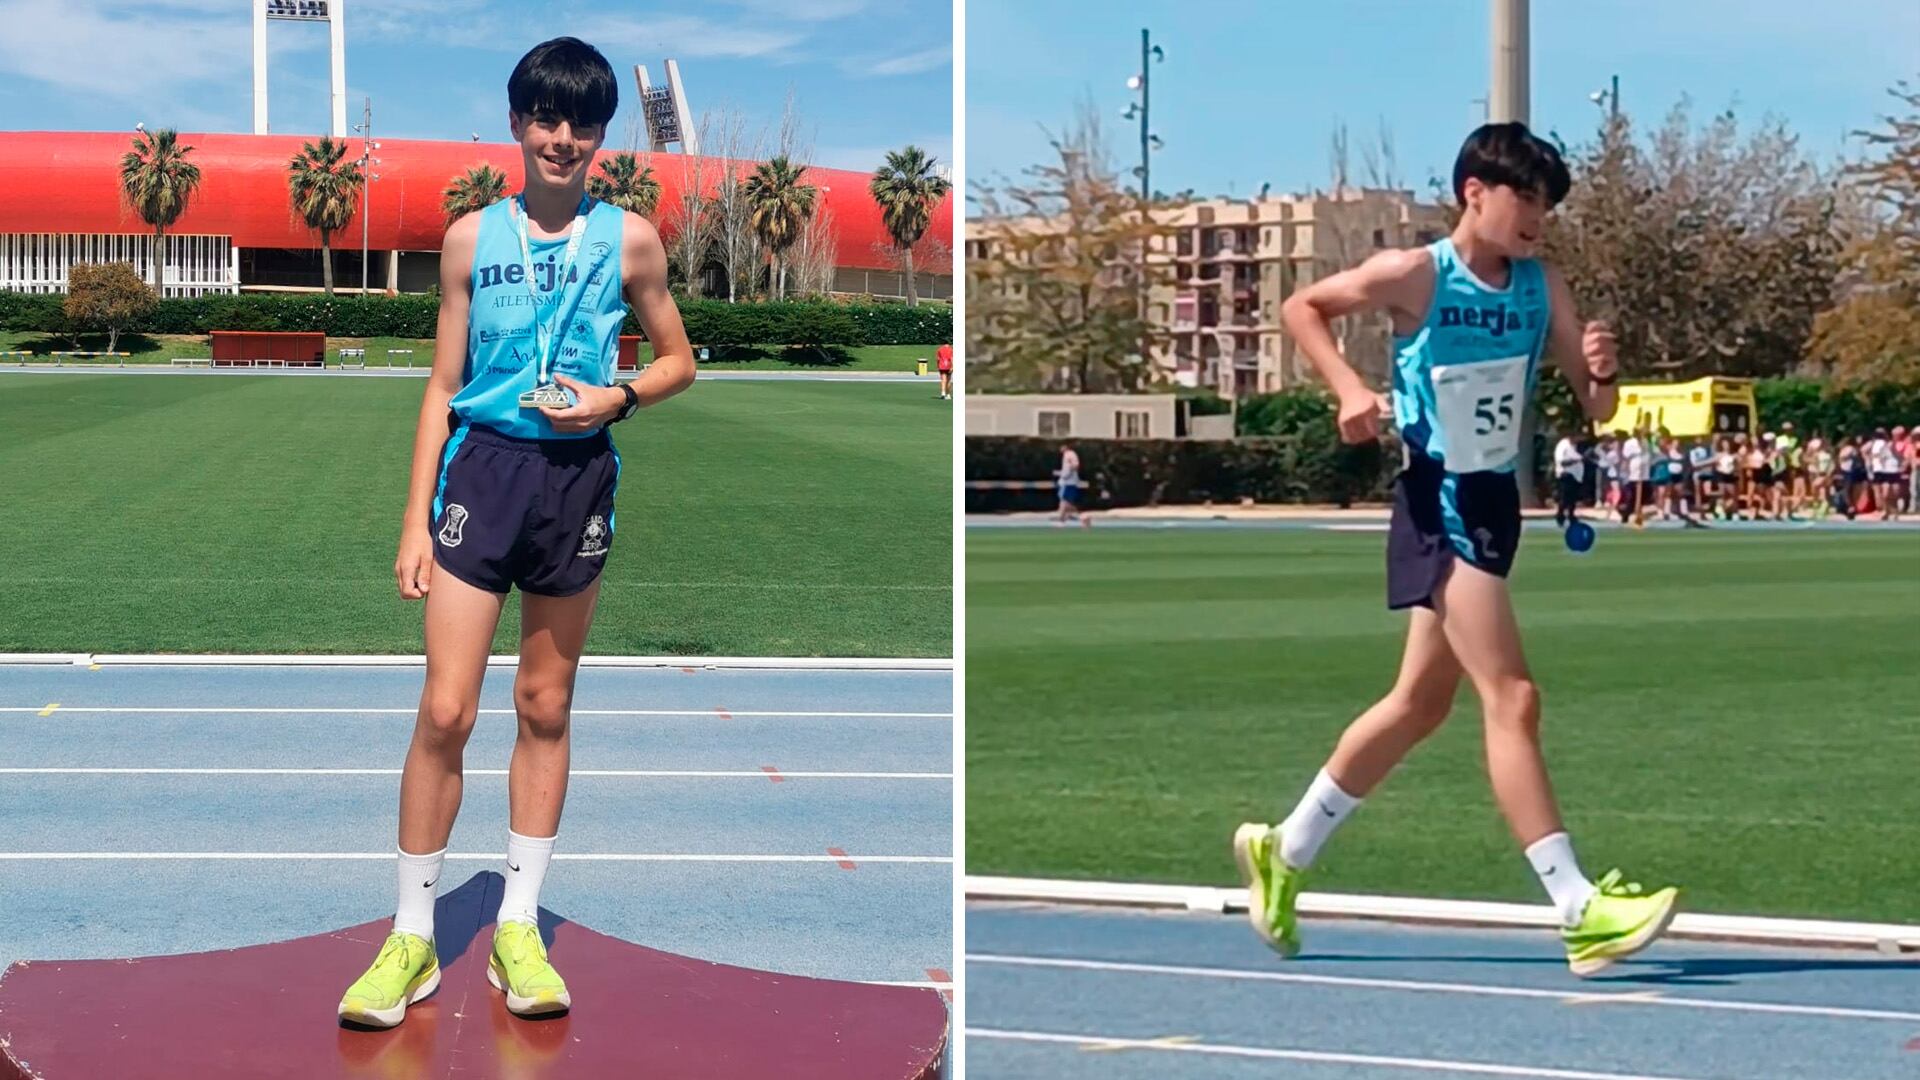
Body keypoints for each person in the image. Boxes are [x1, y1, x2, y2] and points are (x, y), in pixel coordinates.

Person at [1242, 122, 1678, 978]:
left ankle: (1284, 850)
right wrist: (1348, 387)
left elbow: (1598, 408)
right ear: (1475, 192)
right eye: (1527, 199)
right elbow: (1303, 308)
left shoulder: (1543, 285)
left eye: (1548, 205)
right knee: (1512, 696)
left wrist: (1602, 368)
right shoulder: (1417, 274)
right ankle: (1578, 908)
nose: (1538, 219)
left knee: (1418, 704)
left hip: (1494, 506)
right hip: (1436, 500)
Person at [336, 37, 697, 1030]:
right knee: (446, 709)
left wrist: (618, 396)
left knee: (545, 702)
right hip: (483, 475)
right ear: (516, 123)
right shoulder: (468, 240)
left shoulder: (630, 240)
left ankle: (518, 927)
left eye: (582, 123)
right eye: (546, 118)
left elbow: (679, 360)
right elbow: (442, 387)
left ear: (602, 136)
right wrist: (414, 520)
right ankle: (411, 936)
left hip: (575, 481)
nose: (562, 137)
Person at [1552, 428, 1585, 527]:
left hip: (1576, 476)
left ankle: (1571, 515)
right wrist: (1576, 460)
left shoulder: (1574, 446)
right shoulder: (1563, 445)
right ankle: (1560, 516)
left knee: (1573, 498)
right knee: (1565, 497)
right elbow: (1562, 462)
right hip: (1566, 474)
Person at [1867, 427, 1902, 520]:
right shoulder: (1880, 444)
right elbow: (1877, 455)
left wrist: (1900, 462)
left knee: (1895, 492)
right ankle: (1886, 511)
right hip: (1885, 470)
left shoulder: (1890, 444)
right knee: (1885, 493)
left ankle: (1895, 511)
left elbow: (1897, 454)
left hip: (1894, 470)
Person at [1055, 443, 1090, 528]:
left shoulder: (1070, 454)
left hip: (1068, 482)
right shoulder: (1067, 455)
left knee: (1064, 502)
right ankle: (1082, 516)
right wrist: (1062, 473)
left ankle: (1062, 521)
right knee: (1066, 502)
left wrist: (1066, 474)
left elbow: (1075, 465)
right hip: (1067, 482)